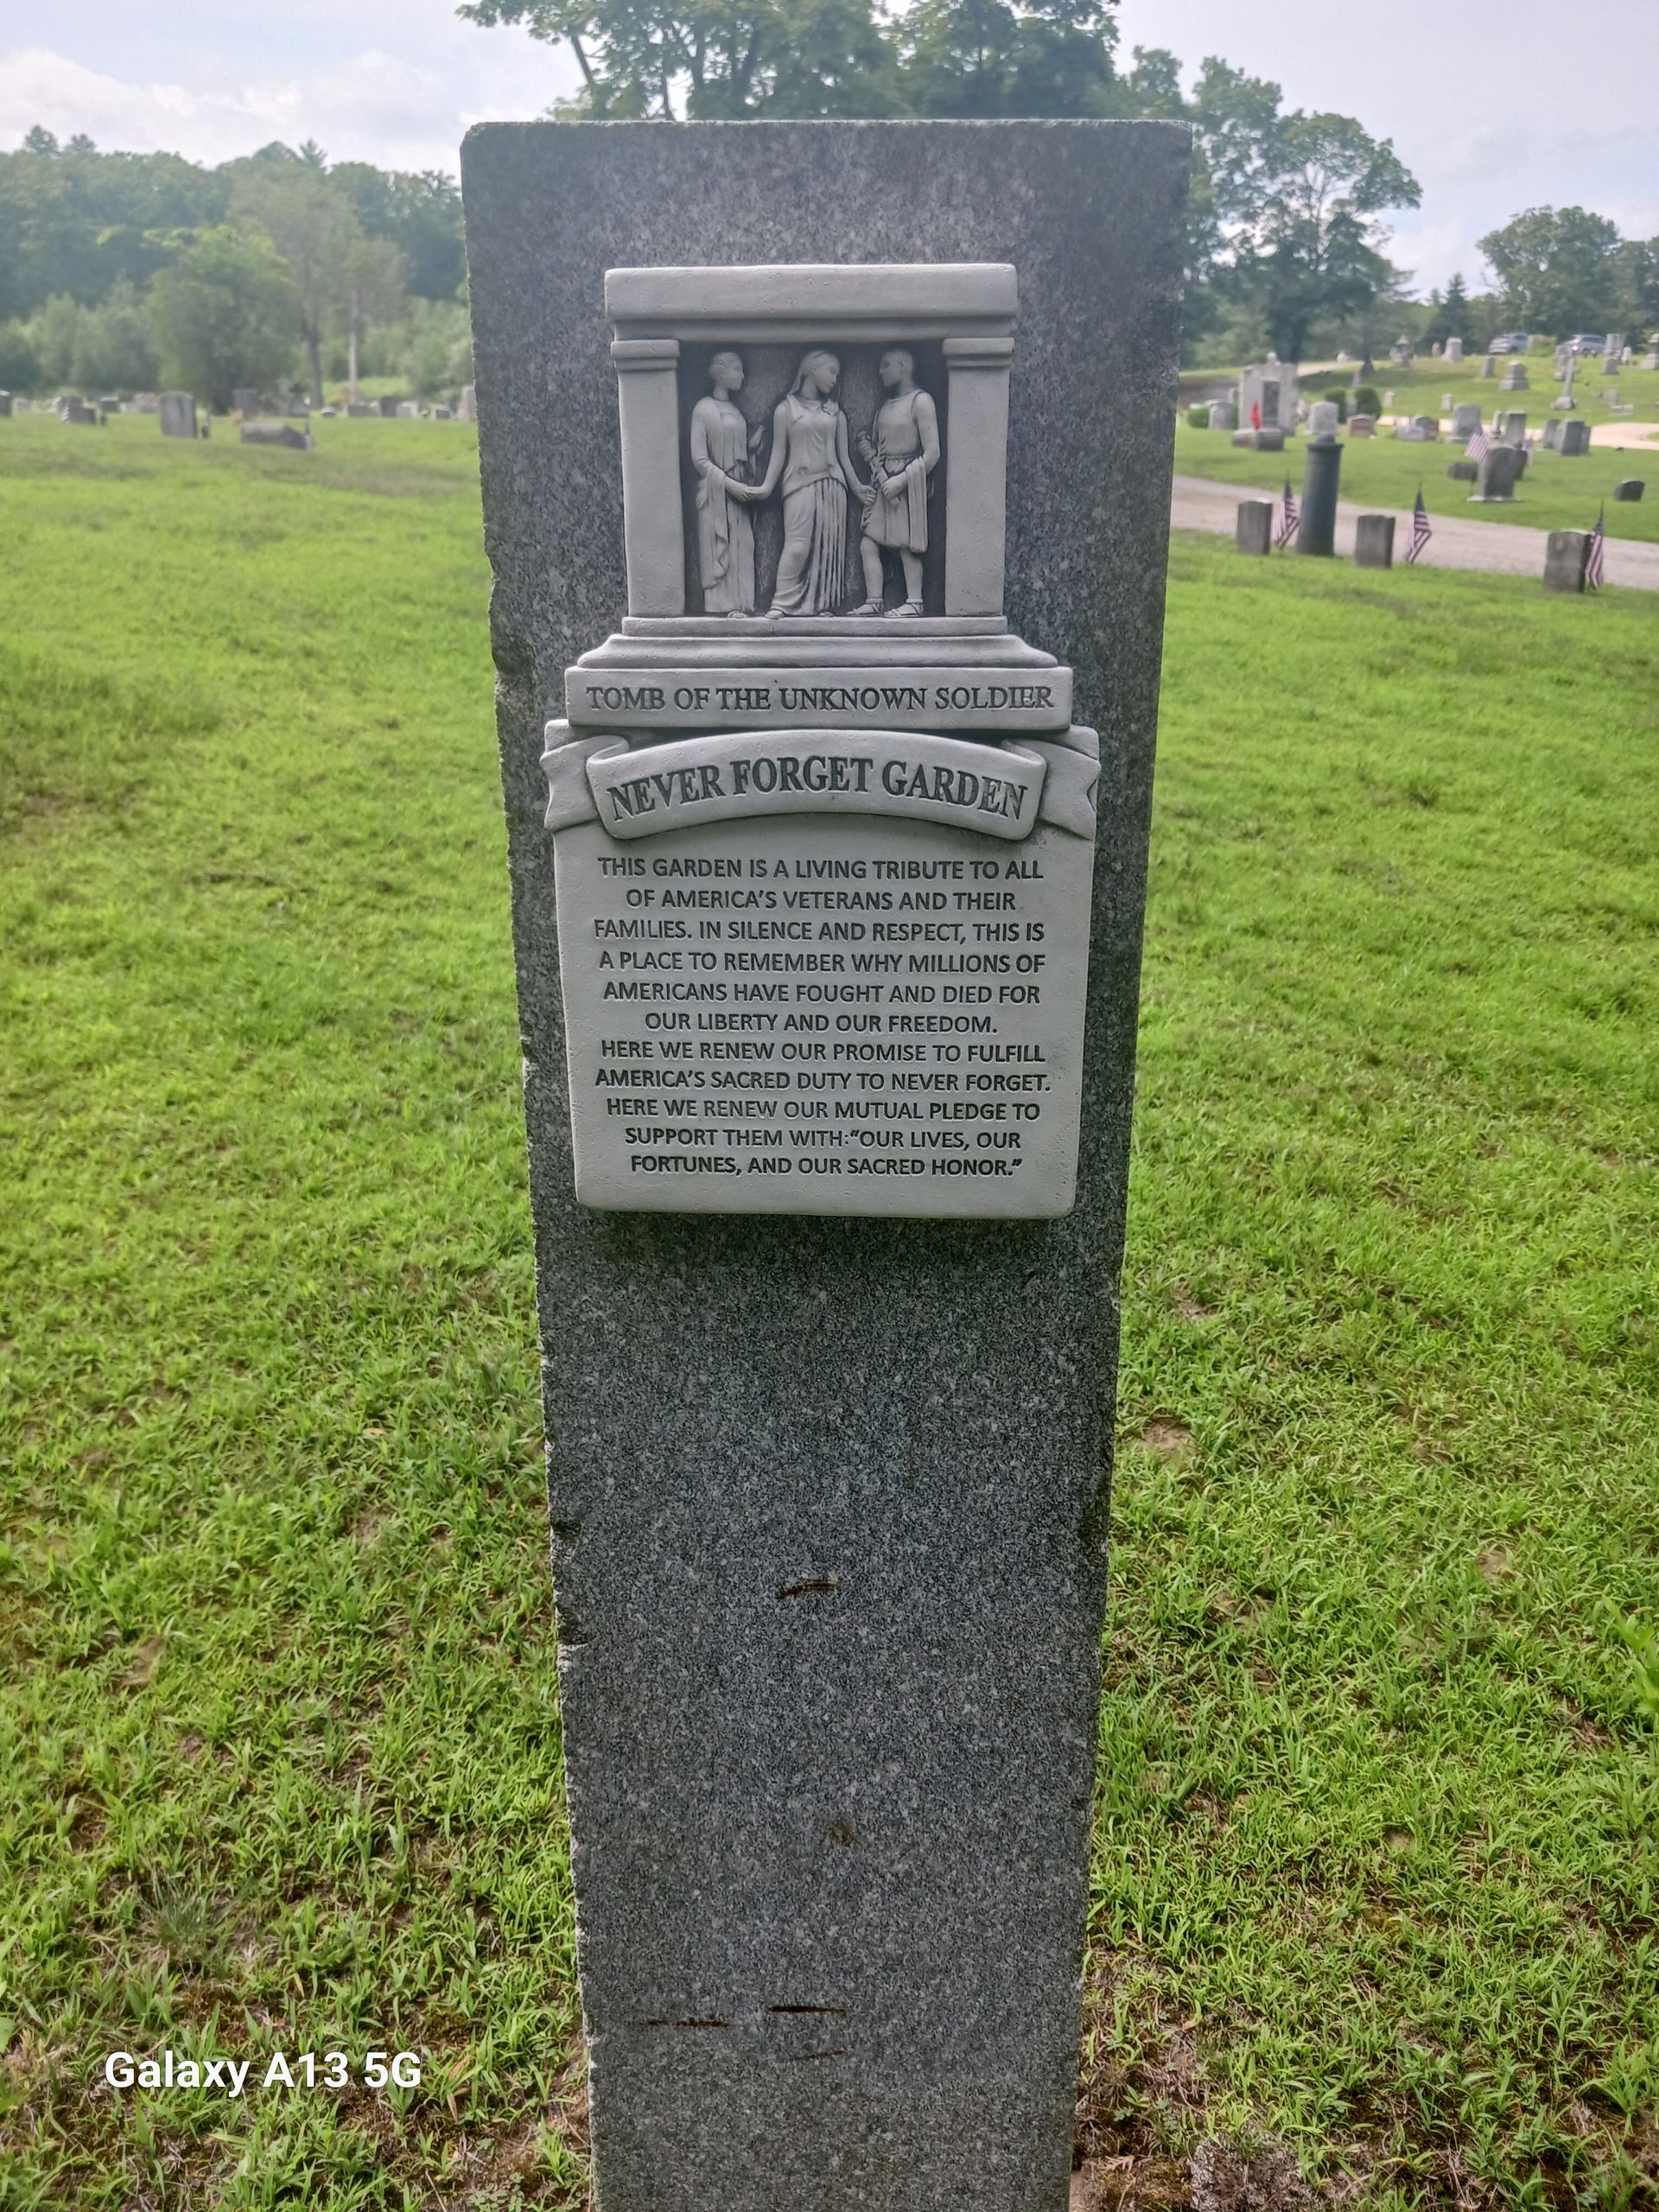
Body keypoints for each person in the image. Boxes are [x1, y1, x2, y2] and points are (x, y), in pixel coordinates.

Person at [735, 350, 863, 617]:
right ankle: (781, 603)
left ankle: (823, 605)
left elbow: (844, 458)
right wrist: (766, 488)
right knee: (797, 546)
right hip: (799, 484)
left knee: (826, 551)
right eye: (831, 371)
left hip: (833, 486)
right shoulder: (786, 409)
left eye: (838, 375)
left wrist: (859, 488)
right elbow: (778, 454)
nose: (835, 380)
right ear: (812, 370)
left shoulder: (835, 413)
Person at [849, 350, 941, 619]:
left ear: (904, 366)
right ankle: (874, 600)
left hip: (907, 482)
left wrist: (901, 481)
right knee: (869, 543)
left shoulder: (921, 401)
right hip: (882, 481)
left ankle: (915, 602)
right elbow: (878, 450)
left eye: (886, 365)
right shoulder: (885, 406)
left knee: (906, 545)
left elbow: (932, 453)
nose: (880, 371)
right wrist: (870, 456)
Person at [689, 352, 760, 615]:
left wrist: (752, 448)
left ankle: (742, 604)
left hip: (739, 489)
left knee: (744, 546)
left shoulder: (735, 411)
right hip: (717, 492)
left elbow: (738, 451)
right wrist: (729, 485)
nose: (742, 376)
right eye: (737, 370)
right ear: (721, 373)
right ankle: (722, 607)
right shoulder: (703, 409)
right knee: (724, 547)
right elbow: (700, 460)